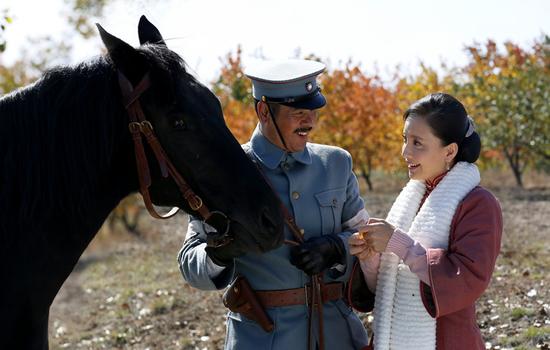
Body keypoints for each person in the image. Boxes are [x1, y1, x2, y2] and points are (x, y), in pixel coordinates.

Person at [178, 59, 370, 349]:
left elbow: (367, 238)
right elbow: (190, 265)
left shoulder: (336, 163)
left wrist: (336, 247)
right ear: (265, 111)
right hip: (261, 338)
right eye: (299, 113)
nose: (311, 122)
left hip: (337, 335)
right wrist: (220, 253)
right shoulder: (226, 172)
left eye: (313, 112)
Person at [347, 92, 503, 350]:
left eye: (417, 143)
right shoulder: (412, 198)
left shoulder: (479, 204)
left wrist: (398, 244)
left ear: (450, 151)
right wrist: (370, 258)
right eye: (404, 140)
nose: (405, 152)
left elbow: (466, 278)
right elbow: (386, 287)